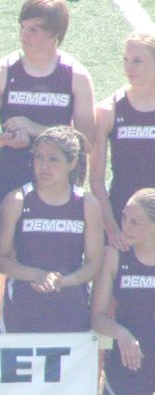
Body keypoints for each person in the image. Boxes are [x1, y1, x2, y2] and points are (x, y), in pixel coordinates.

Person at [0, 0, 94, 205]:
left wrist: (36, 129)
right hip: (9, 178)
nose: (24, 35)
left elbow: (86, 143)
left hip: (58, 186)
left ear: (56, 32)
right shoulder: (1, 72)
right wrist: (6, 139)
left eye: (34, 29)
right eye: (22, 27)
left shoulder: (76, 76)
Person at [0, 125, 103, 333]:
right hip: (22, 309)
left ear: (72, 163)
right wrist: (38, 275)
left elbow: (93, 264)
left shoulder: (87, 204)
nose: (44, 166)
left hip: (71, 309)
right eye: (39, 157)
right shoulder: (17, 200)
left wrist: (63, 281)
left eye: (53, 159)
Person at [91, 188, 155, 395]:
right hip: (130, 362)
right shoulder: (115, 256)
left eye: (134, 222)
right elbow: (96, 318)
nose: (124, 227)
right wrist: (121, 333)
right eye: (124, 218)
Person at [90, 28, 155, 252]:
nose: (129, 67)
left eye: (137, 61)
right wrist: (112, 229)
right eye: (126, 59)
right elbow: (96, 179)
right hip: (122, 216)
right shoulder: (108, 110)